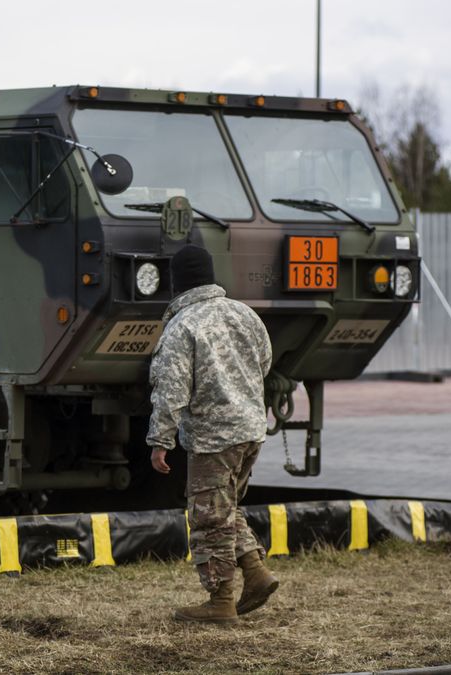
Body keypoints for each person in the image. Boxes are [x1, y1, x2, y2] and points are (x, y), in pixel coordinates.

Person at [147, 244, 278, 624]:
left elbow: (171, 390)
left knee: (208, 517)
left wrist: (160, 441)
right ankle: (256, 573)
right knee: (224, 509)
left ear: (177, 283)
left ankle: (221, 601)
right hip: (251, 431)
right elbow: (264, 363)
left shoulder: (182, 325)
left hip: (212, 438)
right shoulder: (244, 314)